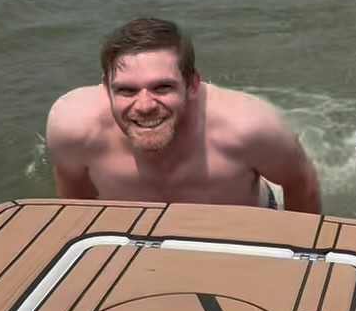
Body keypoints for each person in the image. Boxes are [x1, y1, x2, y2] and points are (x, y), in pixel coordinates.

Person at [46, 16, 322, 213]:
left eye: (162, 87)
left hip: (245, 224)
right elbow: (73, 192)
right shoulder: (73, 127)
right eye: (126, 90)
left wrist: (297, 255)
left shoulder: (248, 127)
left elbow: (301, 182)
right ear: (106, 88)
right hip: (139, 235)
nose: (145, 106)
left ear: (191, 85)